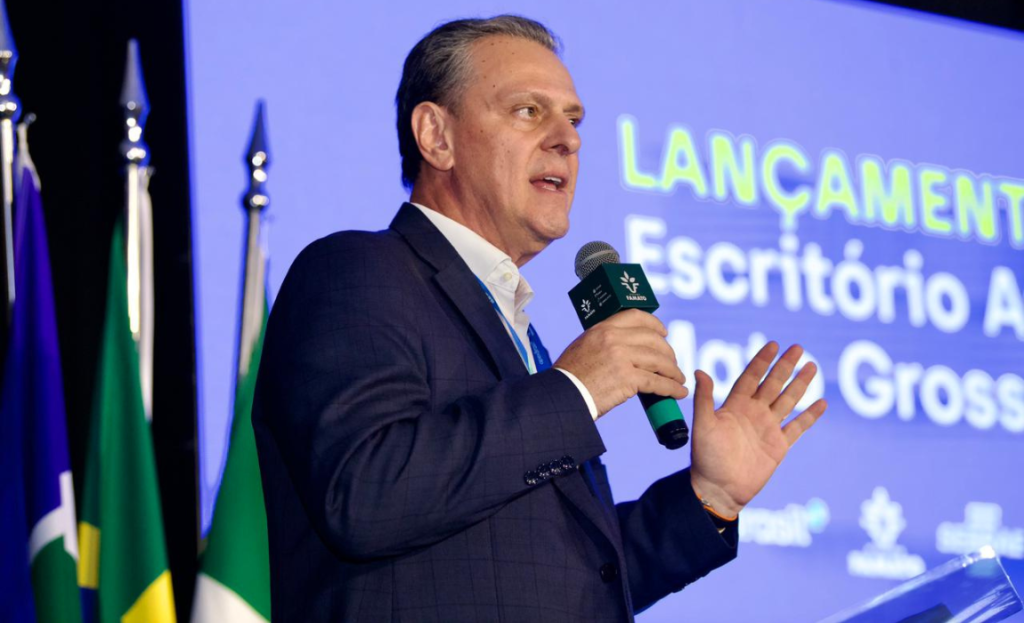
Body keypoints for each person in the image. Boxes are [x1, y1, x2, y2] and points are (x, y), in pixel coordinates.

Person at [252, 15, 827, 623]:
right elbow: (366, 495)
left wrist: (709, 496)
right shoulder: (357, 271)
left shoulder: (517, 329)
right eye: (528, 111)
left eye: (574, 120)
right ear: (436, 136)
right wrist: (575, 391)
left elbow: (564, 577)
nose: (567, 140)